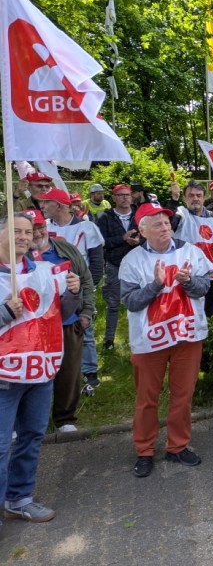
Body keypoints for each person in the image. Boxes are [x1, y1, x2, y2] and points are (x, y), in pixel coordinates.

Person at [120, 203, 213, 478]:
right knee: (146, 398)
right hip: (149, 341)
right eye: (157, 224)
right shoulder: (132, 261)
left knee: (183, 396)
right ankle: (145, 450)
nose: (165, 227)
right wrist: (156, 285)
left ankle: (177, 446)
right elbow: (130, 301)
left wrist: (186, 282)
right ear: (142, 230)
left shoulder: (191, 252)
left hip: (187, 335)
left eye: (167, 222)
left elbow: (205, 287)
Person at [1, 213, 81, 523]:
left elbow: (63, 313)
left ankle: (19, 498)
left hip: (40, 370)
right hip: (4, 376)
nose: (23, 236)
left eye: (27, 231)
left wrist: (73, 292)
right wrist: (5, 312)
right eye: (15, 231)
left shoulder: (45, 272)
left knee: (32, 436)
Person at [28, 209, 94, 431]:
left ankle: (65, 419)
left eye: (40, 227)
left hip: (68, 323)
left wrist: (86, 313)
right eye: (32, 229)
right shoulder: (16, 255)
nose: (37, 233)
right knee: (31, 374)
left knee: (69, 373)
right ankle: (23, 421)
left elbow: (86, 279)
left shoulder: (65, 249)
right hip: (32, 327)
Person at [38, 188, 104, 387]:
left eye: (45, 202)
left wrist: (89, 285)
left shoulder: (86, 227)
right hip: (48, 288)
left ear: (58, 205)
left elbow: (96, 259)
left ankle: (90, 371)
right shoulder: (43, 227)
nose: (41, 206)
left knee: (84, 328)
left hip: (78, 284)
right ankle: (55, 368)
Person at [169, 180, 213, 318]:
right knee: (190, 310)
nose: (195, 198)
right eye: (191, 195)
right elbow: (170, 225)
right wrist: (174, 200)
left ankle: (210, 338)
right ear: (185, 198)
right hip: (190, 274)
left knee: (212, 310)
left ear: (204, 197)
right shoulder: (182, 214)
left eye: (198, 195)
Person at [96, 184, 140, 351]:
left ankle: (140, 338)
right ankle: (109, 341)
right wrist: (123, 238)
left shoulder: (139, 215)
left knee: (139, 302)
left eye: (127, 195)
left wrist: (139, 241)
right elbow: (101, 242)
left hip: (138, 266)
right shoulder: (105, 217)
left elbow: (149, 235)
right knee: (113, 304)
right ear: (113, 198)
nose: (125, 198)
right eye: (120, 195)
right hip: (115, 265)